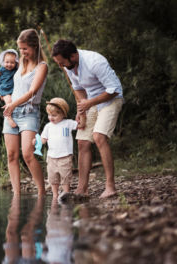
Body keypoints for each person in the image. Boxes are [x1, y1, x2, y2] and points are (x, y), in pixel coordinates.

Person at [52, 39, 124, 199]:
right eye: (58, 63)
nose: (60, 66)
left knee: (99, 137)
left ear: (73, 56)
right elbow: (78, 89)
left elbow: (114, 89)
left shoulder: (95, 62)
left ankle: (110, 187)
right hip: (91, 102)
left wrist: (89, 103)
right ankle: (82, 189)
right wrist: (81, 111)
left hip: (111, 100)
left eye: (62, 62)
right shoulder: (69, 66)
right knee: (82, 142)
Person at [2, 29, 48, 196]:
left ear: (34, 46)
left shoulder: (42, 66)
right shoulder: (20, 61)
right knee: (11, 155)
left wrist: (13, 104)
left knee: (28, 154)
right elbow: (6, 78)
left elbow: (32, 92)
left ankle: (42, 193)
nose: (21, 52)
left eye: (25, 49)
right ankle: (16, 195)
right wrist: (6, 98)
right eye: (20, 49)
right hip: (11, 112)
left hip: (29, 112)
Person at [34, 97, 78, 202]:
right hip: (52, 156)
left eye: (54, 115)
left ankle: (66, 192)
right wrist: (37, 141)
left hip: (65, 155)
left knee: (65, 175)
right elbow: (44, 139)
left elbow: (79, 125)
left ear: (63, 114)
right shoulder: (48, 126)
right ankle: (55, 194)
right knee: (52, 177)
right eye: (49, 115)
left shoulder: (68, 123)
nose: (51, 118)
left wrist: (80, 114)